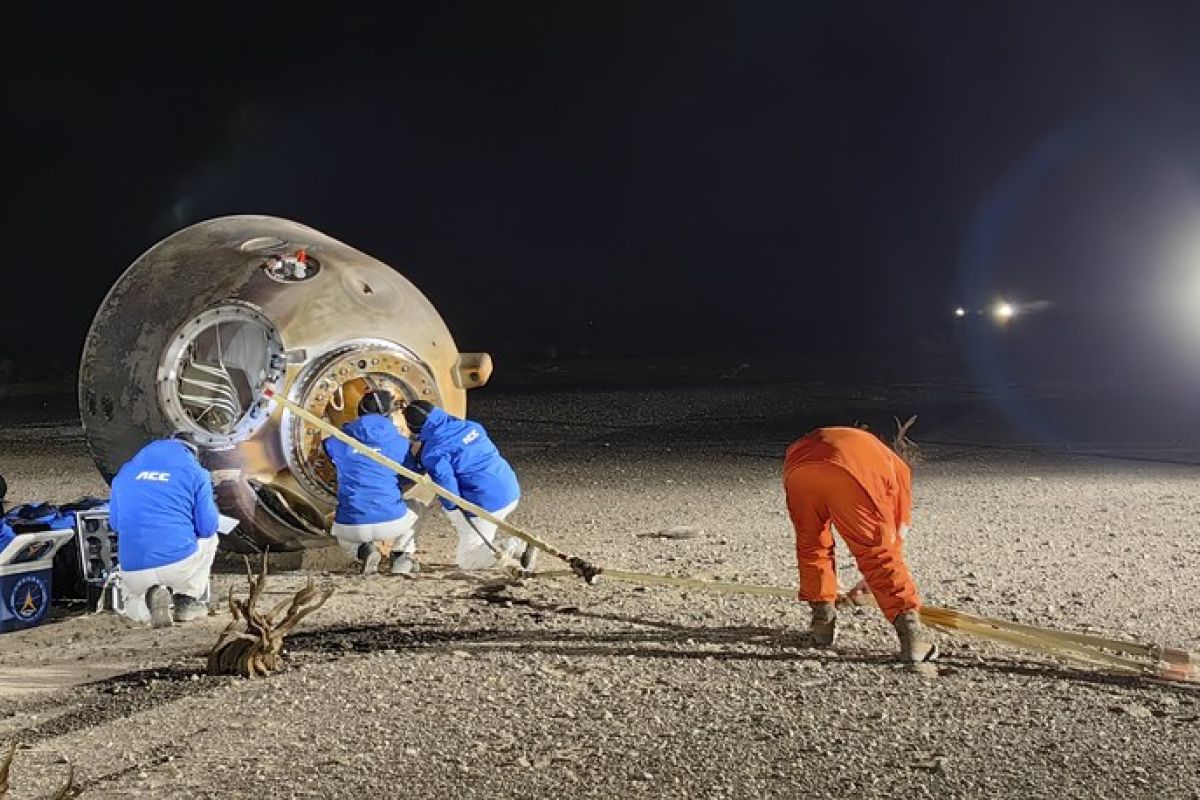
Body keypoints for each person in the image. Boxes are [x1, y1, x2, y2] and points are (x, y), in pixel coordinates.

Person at [782, 426, 937, 663]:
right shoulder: (895, 466)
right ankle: (912, 637)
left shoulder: (863, 442)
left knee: (811, 544)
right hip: (850, 471)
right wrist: (873, 580)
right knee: (876, 553)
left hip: (799, 467)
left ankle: (822, 625)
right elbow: (895, 533)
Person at [109, 432, 219, 628]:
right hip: (178, 565)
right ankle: (186, 601)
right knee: (212, 539)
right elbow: (208, 527)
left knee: (131, 602)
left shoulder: (124, 473)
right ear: (192, 452)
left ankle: (146, 604)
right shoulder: (196, 473)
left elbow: (115, 524)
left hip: (134, 568)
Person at [402, 400, 527, 570]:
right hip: (510, 489)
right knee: (483, 536)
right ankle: (506, 547)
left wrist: (453, 511)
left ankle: (514, 547)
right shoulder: (471, 426)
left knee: (468, 560)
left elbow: (446, 486)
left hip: (486, 503)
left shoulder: (434, 452)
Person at [323, 390, 420, 575]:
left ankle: (363, 550)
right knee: (416, 506)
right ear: (389, 415)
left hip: (351, 526)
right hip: (392, 521)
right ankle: (401, 556)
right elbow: (410, 475)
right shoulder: (400, 444)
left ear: (359, 410)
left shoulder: (338, 441)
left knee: (336, 527)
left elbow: (326, 449)